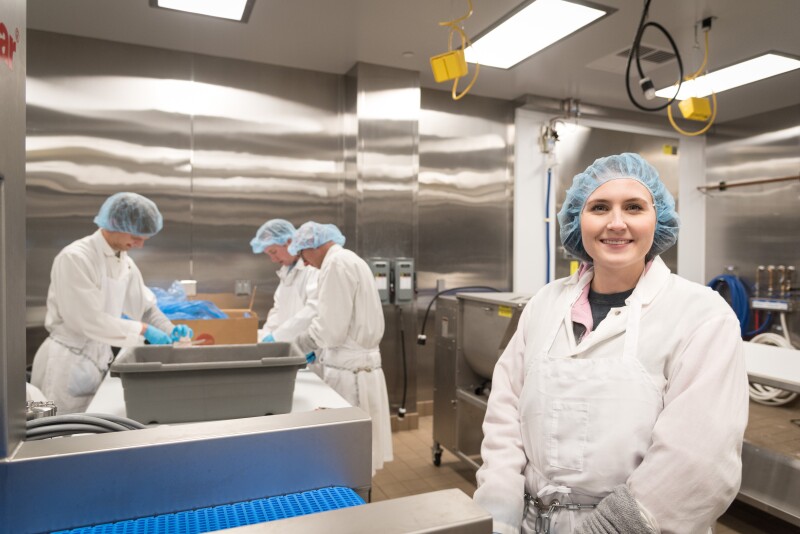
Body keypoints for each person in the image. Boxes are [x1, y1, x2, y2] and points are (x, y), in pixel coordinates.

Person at [474, 153, 748, 534]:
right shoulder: (545, 304)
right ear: (577, 220)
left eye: (633, 207)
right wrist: (499, 511)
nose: (616, 223)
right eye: (600, 207)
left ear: (658, 219)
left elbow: (698, 458)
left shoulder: (701, 314)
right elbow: (505, 413)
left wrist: (607, 529)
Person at [31, 192, 192, 414]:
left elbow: (144, 309)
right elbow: (86, 320)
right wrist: (144, 330)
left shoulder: (124, 262)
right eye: (136, 235)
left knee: (87, 433)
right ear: (114, 223)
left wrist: (171, 330)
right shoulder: (76, 258)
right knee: (54, 433)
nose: (140, 244)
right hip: (64, 364)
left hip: (95, 360)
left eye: (145, 238)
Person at [288, 221, 393, 473]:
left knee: (347, 456)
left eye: (302, 254)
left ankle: (351, 506)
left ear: (313, 246)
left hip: (350, 377)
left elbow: (330, 329)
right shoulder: (350, 260)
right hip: (359, 369)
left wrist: (298, 346)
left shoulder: (335, 265)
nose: (303, 262)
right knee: (360, 453)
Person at [250, 219, 321, 373]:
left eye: (273, 252)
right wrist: (263, 339)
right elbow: (278, 311)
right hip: (291, 353)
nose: (273, 259)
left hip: (312, 353)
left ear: (288, 242)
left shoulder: (312, 270)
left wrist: (278, 337)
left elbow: (313, 310)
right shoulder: (286, 273)